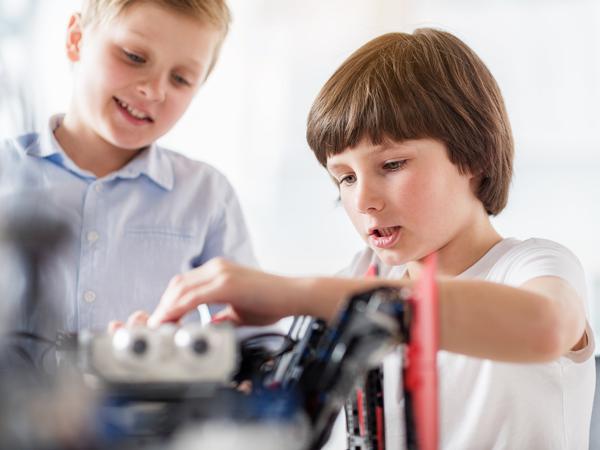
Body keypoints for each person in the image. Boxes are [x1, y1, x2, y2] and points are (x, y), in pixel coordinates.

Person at [147, 29, 596, 448]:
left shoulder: (532, 267)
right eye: (343, 178)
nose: (363, 201)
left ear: (474, 156)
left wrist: (295, 293)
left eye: (393, 165)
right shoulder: (363, 273)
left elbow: (547, 326)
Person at [0, 0, 256, 336]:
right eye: (134, 57)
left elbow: (251, 335)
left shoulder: (207, 195)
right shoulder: (8, 173)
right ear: (76, 39)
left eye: (180, 79)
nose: (153, 90)